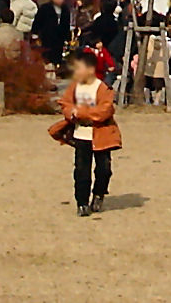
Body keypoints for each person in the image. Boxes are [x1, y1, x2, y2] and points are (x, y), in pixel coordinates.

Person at [52, 49, 121, 217]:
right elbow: (65, 104)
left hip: (101, 135)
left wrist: (80, 112)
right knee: (81, 170)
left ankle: (99, 194)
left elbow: (104, 111)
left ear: (90, 69)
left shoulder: (102, 88)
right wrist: (73, 112)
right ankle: (82, 202)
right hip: (81, 135)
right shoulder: (74, 88)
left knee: (104, 169)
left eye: (78, 68)